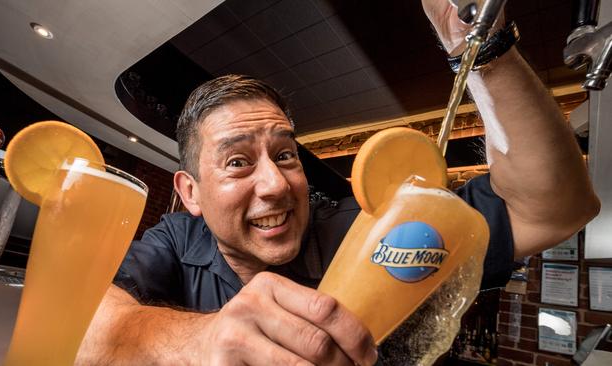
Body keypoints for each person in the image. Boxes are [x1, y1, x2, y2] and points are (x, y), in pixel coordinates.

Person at [77, 1, 600, 365]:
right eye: (237, 162)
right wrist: (205, 340)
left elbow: (553, 207)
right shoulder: (174, 240)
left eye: (285, 155)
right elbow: (83, 332)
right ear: (190, 192)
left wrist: (482, 48)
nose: (276, 185)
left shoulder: (371, 230)